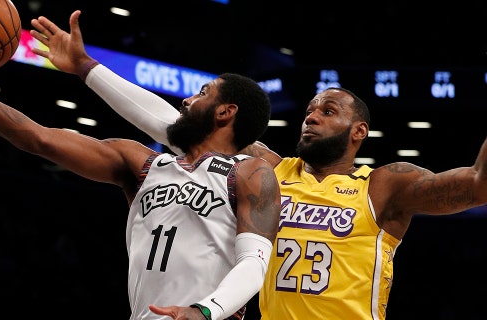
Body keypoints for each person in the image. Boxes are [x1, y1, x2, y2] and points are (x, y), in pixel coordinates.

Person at [28, 10, 487, 320]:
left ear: (359, 132)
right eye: (309, 109)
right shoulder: (267, 169)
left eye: (328, 111)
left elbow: (477, 184)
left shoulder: (384, 185)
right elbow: (175, 124)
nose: (311, 115)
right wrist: (87, 67)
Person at [0, 15, 281, 320]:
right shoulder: (141, 164)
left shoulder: (251, 172)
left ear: (226, 112)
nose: (187, 99)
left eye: (202, 92)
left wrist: (204, 311)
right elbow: (38, 138)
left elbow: (253, 265)